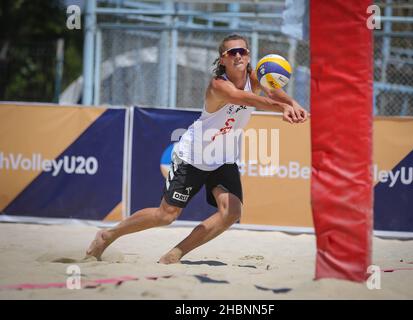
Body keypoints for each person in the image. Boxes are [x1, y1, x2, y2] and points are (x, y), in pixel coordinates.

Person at [85, 34, 309, 264]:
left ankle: (175, 254)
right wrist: (282, 108)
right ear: (222, 59)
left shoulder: (254, 76)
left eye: (242, 51)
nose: (238, 55)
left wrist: (293, 103)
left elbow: (272, 90)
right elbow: (247, 100)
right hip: (193, 155)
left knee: (231, 213)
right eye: (232, 52)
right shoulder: (218, 86)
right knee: (166, 216)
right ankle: (108, 235)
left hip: (223, 156)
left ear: (249, 55)